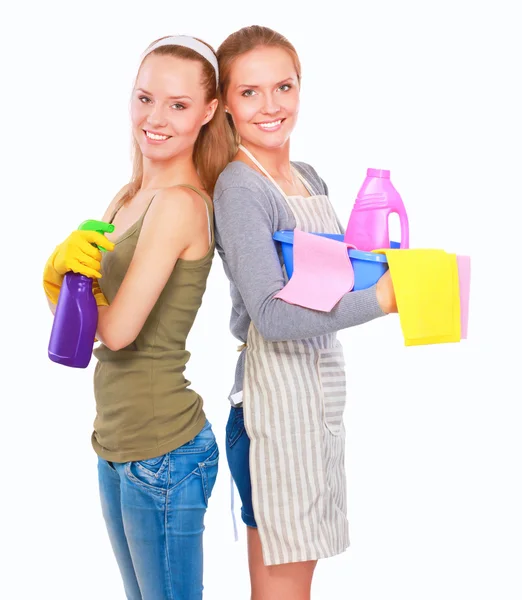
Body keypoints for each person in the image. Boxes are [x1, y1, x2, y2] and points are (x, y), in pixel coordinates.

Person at [43, 35, 234, 600]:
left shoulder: (179, 205)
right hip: (117, 443)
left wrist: (66, 278)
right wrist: (55, 281)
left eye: (177, 105)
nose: (155, 118)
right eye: (145, 98)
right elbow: (79, 341)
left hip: (164, 453)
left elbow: (119, 333)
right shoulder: (127, 196)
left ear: (208, 112)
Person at [213, 25, 398, 599]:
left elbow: (330, 283)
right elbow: (271, 313)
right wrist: (383, 301)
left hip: (313, 407)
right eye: (249, 93)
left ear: (300, 88)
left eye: (283, 87)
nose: (271, 106)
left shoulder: (307, 177)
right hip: (272, 415)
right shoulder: (240, 189)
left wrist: (380, 261)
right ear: (225, 105)